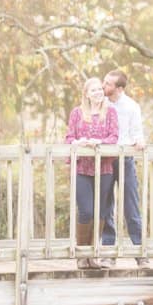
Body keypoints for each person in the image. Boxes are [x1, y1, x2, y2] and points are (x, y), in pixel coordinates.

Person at [65, 76, 119, 270]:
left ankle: (93, 256)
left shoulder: (110, 112)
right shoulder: (77, 113)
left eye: (99, 89)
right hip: (82, 167)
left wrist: (99, 143)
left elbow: (114, 137)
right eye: (93, 90)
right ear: (86, 94)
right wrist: (77, 143)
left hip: (103, 168)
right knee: (86, 210)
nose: (98, 92)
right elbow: (69, 137)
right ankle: (82, 255)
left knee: (101, 212)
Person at [101, 69, 148, 268]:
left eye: (108, 84)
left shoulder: (131, 106)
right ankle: (108, 253)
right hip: (105, 158)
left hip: (126, 157)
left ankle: (140, 252)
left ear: (119, 88)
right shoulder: (100, 104)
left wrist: (140, 140)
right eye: (104, 82)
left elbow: (137, 131)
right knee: (105, 205)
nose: (104, 87)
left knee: (131, 204)